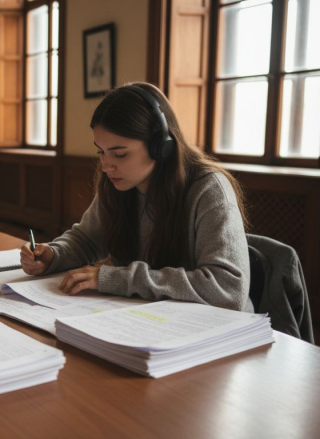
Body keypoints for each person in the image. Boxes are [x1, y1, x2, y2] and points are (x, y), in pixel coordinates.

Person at [20, 82, 252, 312]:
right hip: (146, 317)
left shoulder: (209, 188)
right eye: (101, 151)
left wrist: (119, 279)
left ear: (161, 146)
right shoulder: (119, 183)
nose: (106, 166)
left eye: (119, 154)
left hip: (213, 330)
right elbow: (88, 240)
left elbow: (228, 289)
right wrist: (54, 254)